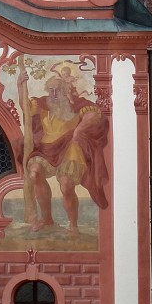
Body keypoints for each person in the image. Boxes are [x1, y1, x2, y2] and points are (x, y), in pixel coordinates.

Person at [17, 68, 109, 235]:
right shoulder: (44, 105)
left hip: (69, 149)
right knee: (35, 173)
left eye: (57, 90)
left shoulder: (76, 106)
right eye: (51, 91)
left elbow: (95, 115)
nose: (54, 94)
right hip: (46, 148)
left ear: (65, 91)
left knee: (66, 185)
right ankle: (47, 219)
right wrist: (19, 85)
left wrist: (78, 130)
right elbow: (26, 108)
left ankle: (73, 226)